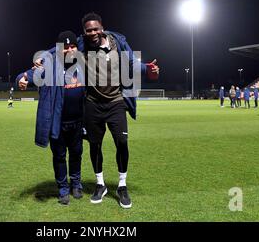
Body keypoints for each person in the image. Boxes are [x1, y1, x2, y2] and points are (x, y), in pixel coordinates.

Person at [79, 12, 159, 208]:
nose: (92, 33)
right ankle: (100, 184)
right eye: (88, 30)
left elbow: (132, 62)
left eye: (95, 29)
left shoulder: (118, 42)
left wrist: (148, 69)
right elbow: (55, 51)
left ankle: (122, 185)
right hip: (92, 103)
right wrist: (37, 64)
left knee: (122, 142)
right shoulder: (81, 44)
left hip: (116, 102)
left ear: (102, 27)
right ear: (84, 32)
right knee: (94, 145)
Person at [16, 31, 85, 205]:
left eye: (72, 46)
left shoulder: (84, 64)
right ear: (58, 48)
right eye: (65, 47)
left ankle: (76, 184)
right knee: (60, 156)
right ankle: (63, 189)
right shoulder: (49, 64)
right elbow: (26, 75)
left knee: (77, 154)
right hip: (58, 123)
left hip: (78, 122)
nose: (69, 50)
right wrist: (22, 80)